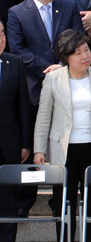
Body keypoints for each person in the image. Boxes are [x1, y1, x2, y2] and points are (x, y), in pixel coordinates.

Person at [33, 30, 91, 242]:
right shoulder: (53, 79)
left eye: (86, 50)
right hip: (64, 150)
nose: (85, 56)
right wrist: (39, 149)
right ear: (66, 57)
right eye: (78, 53)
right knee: (64, 203)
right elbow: (43, 116)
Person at [7, 0, 84, 107]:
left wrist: (62, 65)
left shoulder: (70, 7)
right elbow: (18, 49)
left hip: (70, 79)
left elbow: (79, 39)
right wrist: (49, 69)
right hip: (35, 86)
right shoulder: (17, 13)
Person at [0, 18, 34, 242]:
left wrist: (25, 144)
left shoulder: (14, 62)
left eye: (2, 33)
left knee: (8, 201)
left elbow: (23, 106)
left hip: (8, 145)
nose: (1, 39)